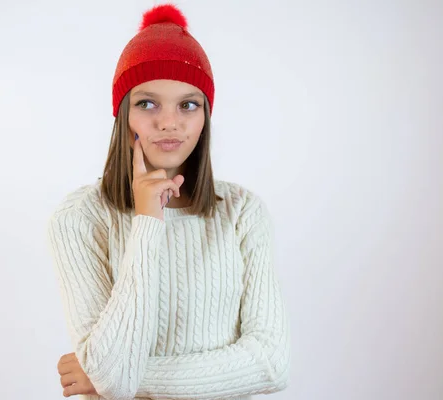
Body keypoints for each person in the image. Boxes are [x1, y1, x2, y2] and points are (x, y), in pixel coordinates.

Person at [47, 4, 291, 399]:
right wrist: (147, 220)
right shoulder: (79, 219)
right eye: (147, 103)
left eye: (188, 104)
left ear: (205, 116)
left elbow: (270, 363)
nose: (169, 122)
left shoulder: (242, 212)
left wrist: (119, 379)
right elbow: (111, 373)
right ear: (122, 112)